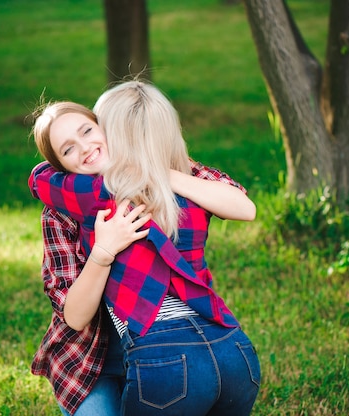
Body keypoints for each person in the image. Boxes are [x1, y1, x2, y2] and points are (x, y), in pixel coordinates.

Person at [30, 80, 260, 415]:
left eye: (88, 130)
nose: (84, 147)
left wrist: (156, 173)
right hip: (95, 359)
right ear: (61, 167)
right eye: (67, 149)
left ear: (109, 127)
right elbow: (75, 317)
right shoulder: (63, 208)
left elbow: (245, 207)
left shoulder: (178, 173)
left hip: (167, 347)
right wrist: (103, 251)